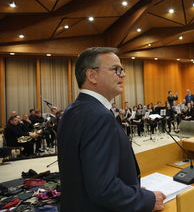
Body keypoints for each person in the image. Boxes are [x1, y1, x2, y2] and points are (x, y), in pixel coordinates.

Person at [57, 47, 165, 212]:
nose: (123, 74)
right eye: (116, 69)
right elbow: (103, 188)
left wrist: (131, 192)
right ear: (92, 75)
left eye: (122, 69)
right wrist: (147, 200)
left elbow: (87, 174)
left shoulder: (74, 110)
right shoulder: (99, 116)